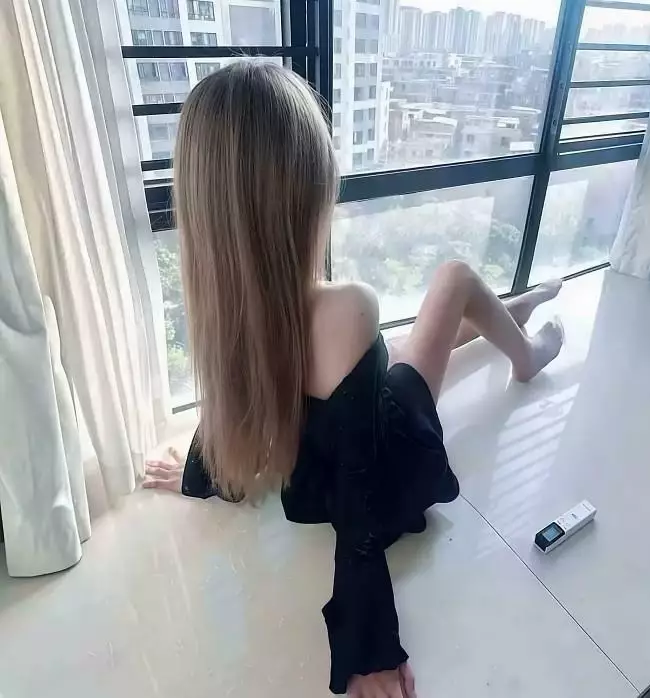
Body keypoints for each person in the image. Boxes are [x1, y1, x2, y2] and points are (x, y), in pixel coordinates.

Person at [144, 62, 564, 698]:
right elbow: (361, 508)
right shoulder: (347, 308)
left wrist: (198, 473)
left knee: (403, 353)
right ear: (309, 193)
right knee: (452, 280)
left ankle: (510, 314)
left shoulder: (225, 308)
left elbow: (232, 401)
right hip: (385, 464)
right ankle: (525, 352)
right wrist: (368, 652)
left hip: (324, 463)